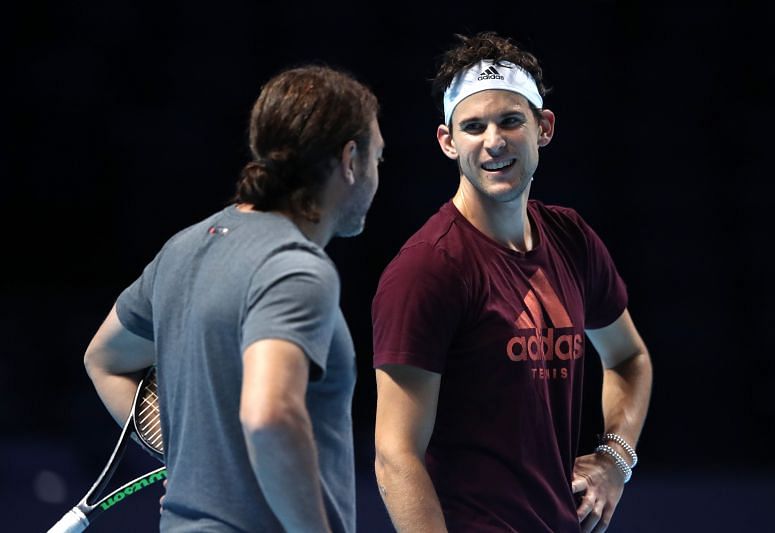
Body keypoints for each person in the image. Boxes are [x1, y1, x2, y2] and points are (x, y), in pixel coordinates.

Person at [83, 64, 384, 532]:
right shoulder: (296, 268)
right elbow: (269, 416)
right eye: (377, 159)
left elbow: (103, 359)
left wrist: (190, 459)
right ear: (350, 160)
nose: (375, 176)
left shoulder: (183, 249)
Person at [372, 31, 652, 533]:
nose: (493, 141)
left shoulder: (572, 239)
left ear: (544, 127)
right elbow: (395, 456)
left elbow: (629, 358)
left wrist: (615, 460)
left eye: (510, 121)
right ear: (447, 141)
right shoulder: (426, 269)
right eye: (473, 126)